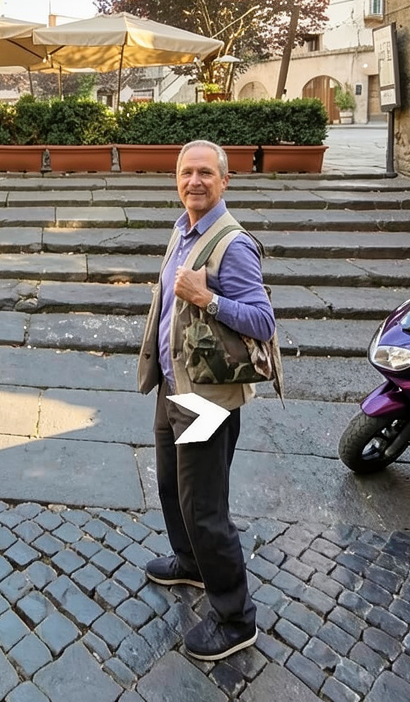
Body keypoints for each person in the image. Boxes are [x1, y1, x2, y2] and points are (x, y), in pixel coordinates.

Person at [137, 139, 275, 661]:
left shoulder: (232, 244)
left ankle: (236, 618)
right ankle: (191, 564)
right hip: (174, 387)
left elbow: (263, 322)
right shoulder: (182, 228)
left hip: (205, 400)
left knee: (204, 509)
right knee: (170, 486)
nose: (194, 181)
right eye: (186, 172)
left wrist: (207, 298)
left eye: (205, 173)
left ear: (224, 180)